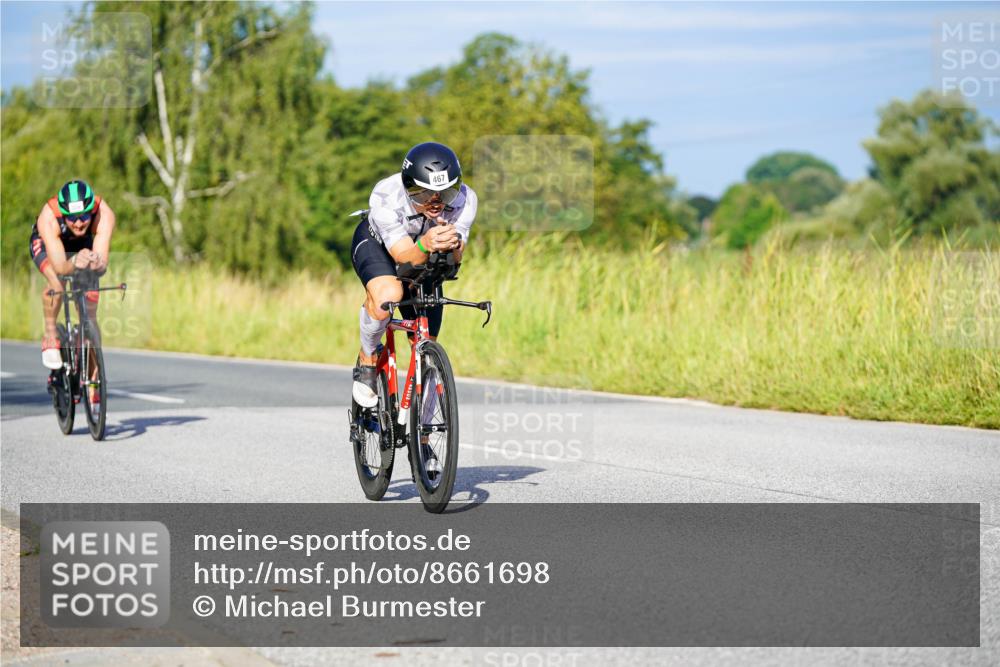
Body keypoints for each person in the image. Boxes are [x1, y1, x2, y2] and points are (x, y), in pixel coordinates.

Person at [350, 142, 476, 407]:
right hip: (382, 246)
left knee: (426, 344)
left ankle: (426, 439)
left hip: (427, 252)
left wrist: (453, 246)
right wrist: (426, 244)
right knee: (389, 296)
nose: (436, 203)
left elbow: (455, 261)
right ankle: (368, 358)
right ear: (408, 188)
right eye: (423, 194)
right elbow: (404, 258)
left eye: (446, 194)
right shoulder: (386, 196)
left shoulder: (467, 199)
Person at [30, 179, 116, 372]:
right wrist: (75, 262)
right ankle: (51, 335)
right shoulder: (49, 218)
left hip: (82, 246)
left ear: (91, 210)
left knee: (90, 315)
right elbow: (61, 267)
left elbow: (102, 266)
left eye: (84, 216)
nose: (78, 223)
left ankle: (94, 378)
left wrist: (96, 263)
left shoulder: (104, 214)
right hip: (47, 245)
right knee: (57, 283)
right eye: (72, 217)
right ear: (63, 212)